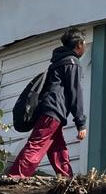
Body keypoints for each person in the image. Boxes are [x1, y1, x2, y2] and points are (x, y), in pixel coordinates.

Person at [7, 28, 89, 178]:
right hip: (53, 110)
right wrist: (81, 123)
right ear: (78, 45)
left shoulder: (57, 62)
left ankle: (66, 177)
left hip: (47, 109)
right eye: (84, 43)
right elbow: (75, 93)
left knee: (57, 146)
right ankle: (16, 176)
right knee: (36, 144)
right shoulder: (73, 63)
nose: (85, 46)